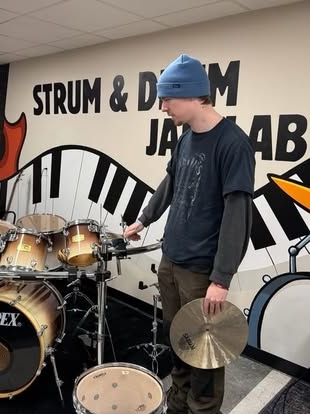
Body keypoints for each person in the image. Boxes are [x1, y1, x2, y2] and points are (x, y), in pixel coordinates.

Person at [123, 54, 255, 414]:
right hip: (171, 261)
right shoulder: (185, 138)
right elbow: (172, 181)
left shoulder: (233, 145)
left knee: (204, 354)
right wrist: (144, 219)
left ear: (193, 95)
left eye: (167, 99)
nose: (163, 107)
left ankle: (203, 409)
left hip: (201, 271)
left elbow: (238, 215)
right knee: (178, 341)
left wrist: (221, 278)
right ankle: (178, 405)